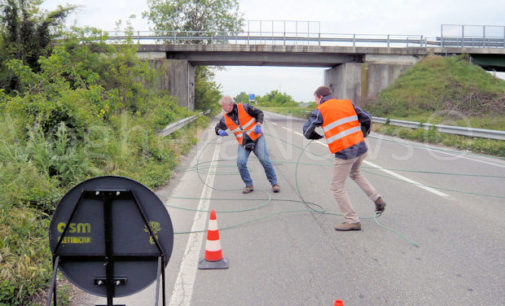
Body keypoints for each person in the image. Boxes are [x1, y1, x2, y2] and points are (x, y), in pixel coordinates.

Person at [303, 86, 386, 231]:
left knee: (336, 187)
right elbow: (367, 118)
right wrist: (364, 133)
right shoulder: (347, 103)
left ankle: (352, 220)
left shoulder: (321, 109)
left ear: (320, 97)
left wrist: (315, 136)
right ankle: (377, 199)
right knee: (355, 173)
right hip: (360, 148)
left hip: (345, 153)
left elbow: (307, 130)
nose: (316, 102)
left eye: (315, 99)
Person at [215, 96, 280, 194]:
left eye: (223, 106)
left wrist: (258, 124)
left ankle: (274, 183)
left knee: (264, 160)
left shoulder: (244, 107)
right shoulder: (225, 117)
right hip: (243, 142)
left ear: (230, 105)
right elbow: (217, 127)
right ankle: (249, 185)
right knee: (240, 162)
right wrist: (219, 131)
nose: (222, 108)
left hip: (257, 138)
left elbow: (259, 113)